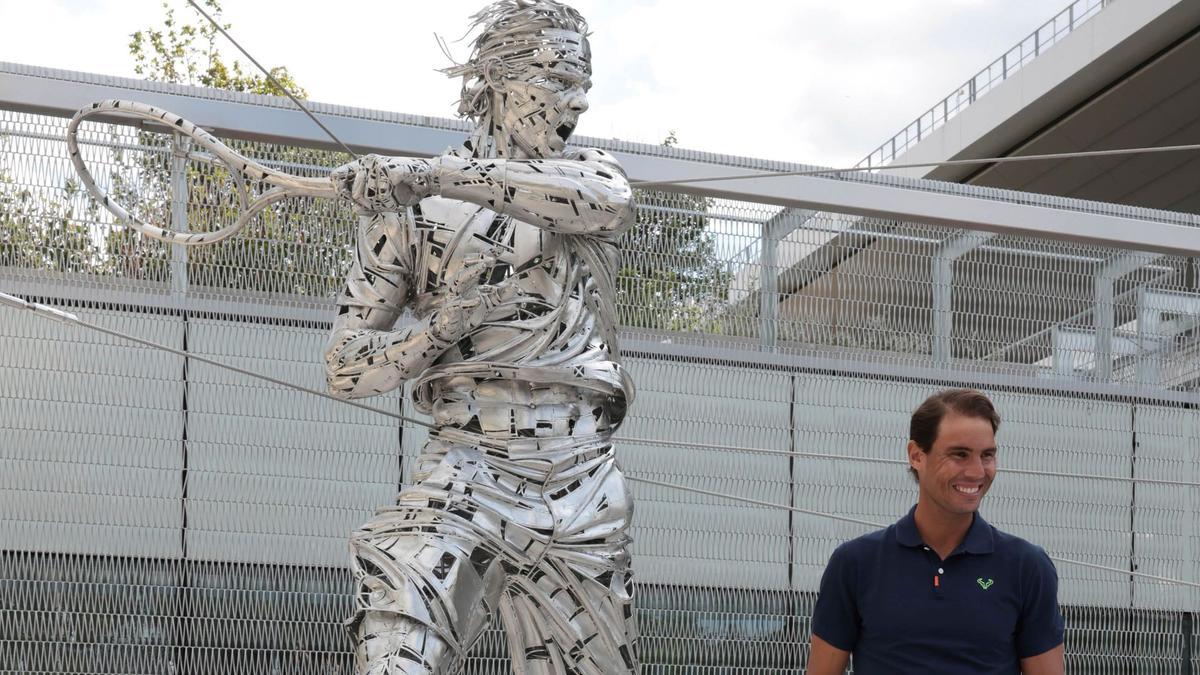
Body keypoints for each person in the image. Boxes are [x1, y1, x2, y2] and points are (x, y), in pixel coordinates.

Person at [322, 2, 638, 673]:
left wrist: (429, 176)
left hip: (579, 479)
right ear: (495, 76)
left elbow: (602, 201)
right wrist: (434, 333)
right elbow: (345, 368)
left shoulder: (585, 178)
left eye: (582, 84)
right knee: (397, 626)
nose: (574, 102)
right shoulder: (409, 217)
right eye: (556, 80)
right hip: (465, 462)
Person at [808, 388, 1065, 674]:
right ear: (917, 456)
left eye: (987, 455)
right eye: (960, 454)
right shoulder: (855, 563)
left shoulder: (1027, 567)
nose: (977, 471)